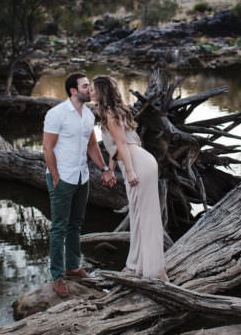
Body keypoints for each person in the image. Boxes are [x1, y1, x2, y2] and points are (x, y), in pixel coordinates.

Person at [43, 73, 116, 297]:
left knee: (76, 224)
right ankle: (57, 276)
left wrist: (104, 169)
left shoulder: (87, 115)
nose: (90, 89)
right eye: (86, 86)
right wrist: (55, 175)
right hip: (62, 178)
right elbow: (47, 147)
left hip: (81, 177)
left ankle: (73, 267)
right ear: (73, 91)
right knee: (59, 227)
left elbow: (92, 145)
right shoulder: (56, 114)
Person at [91, 75, 168, 281]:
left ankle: (149, 270)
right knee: (140, 215)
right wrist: (110, 168)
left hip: (137, 164)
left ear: (102, 92)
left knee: (144, 217)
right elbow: (117, 148)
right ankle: (137, 265)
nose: (90, 92)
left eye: (93, 89)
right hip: (139, 160)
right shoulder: (115, 111)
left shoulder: (109, 113)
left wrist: (131, 170)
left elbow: (123, 144)